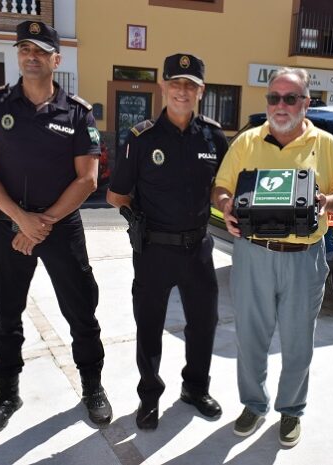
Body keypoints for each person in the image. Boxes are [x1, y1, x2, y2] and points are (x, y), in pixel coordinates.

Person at [0, 20, 112, 435]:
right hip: (9, 225)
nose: (30, 56)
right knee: (7, 314)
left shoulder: (77, 112)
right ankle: (7, 393)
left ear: (56, 58)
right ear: (18, 56)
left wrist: (40, 224)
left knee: (81, 312)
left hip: (60, 227)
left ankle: (92, 387)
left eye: (39, 50)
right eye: (23, 49)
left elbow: (87, 179)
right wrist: (20, 219)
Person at [212, 67, 333, 447]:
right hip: (253, 254)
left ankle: (291, 410)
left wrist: (326, 201)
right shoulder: (246, 142)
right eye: (274, 97)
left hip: (303, 257)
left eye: (290, 98)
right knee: (250, 336)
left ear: (305, 103)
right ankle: (254, 405)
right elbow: (221, 187)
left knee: (297, 341)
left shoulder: (325, 145)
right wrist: (226, 205)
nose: (280, 105)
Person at [106, 53, 228, 431]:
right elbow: (116, 194)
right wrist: (137, 221)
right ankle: (149, 397)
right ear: (163, 86)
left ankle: (195, 388)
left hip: (198, 248)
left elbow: (218, 188)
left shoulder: (213, 136)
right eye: (175, 83)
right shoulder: (140, 137)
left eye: (190, 85)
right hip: (154, 250)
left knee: (204, 323)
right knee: (149, 325)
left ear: (201, 91)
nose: (182, 91)